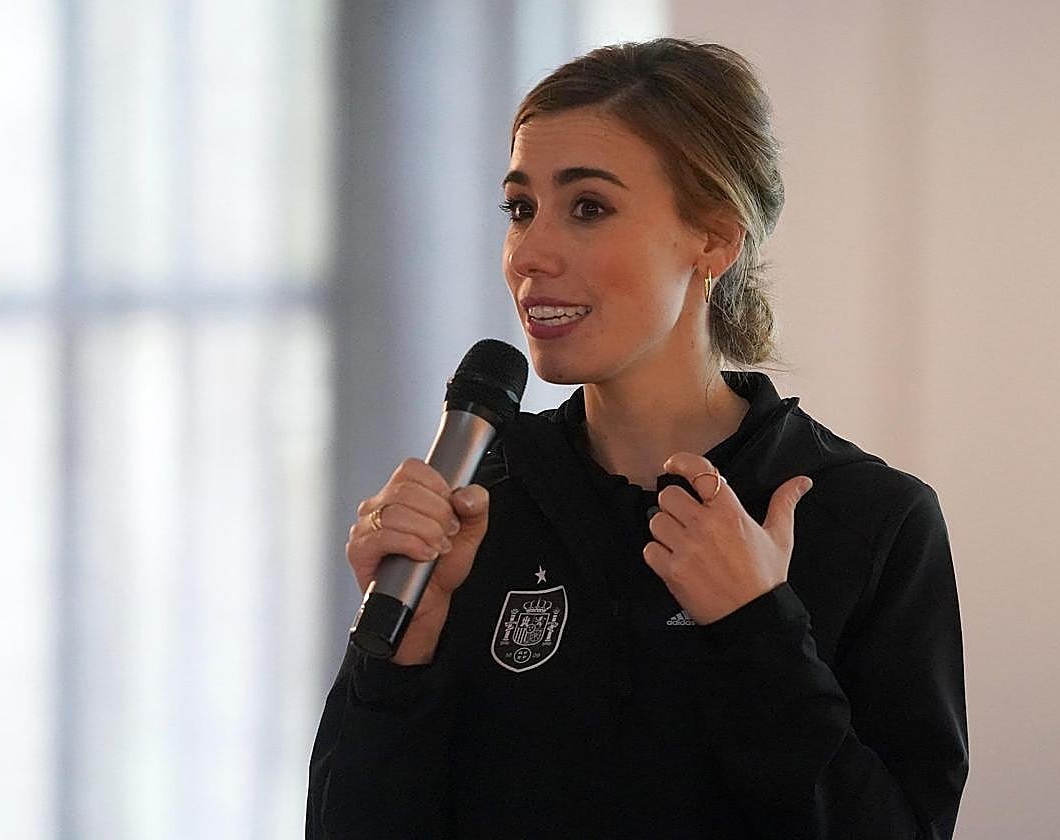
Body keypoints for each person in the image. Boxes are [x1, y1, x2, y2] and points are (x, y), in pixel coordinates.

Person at [308, 37, 967, 839]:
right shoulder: (476, 504)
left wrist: (758, 627)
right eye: (520, 209)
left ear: (714, 239)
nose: (530, 255)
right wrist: (402, 651)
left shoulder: (873, 521)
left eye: (588, 207)